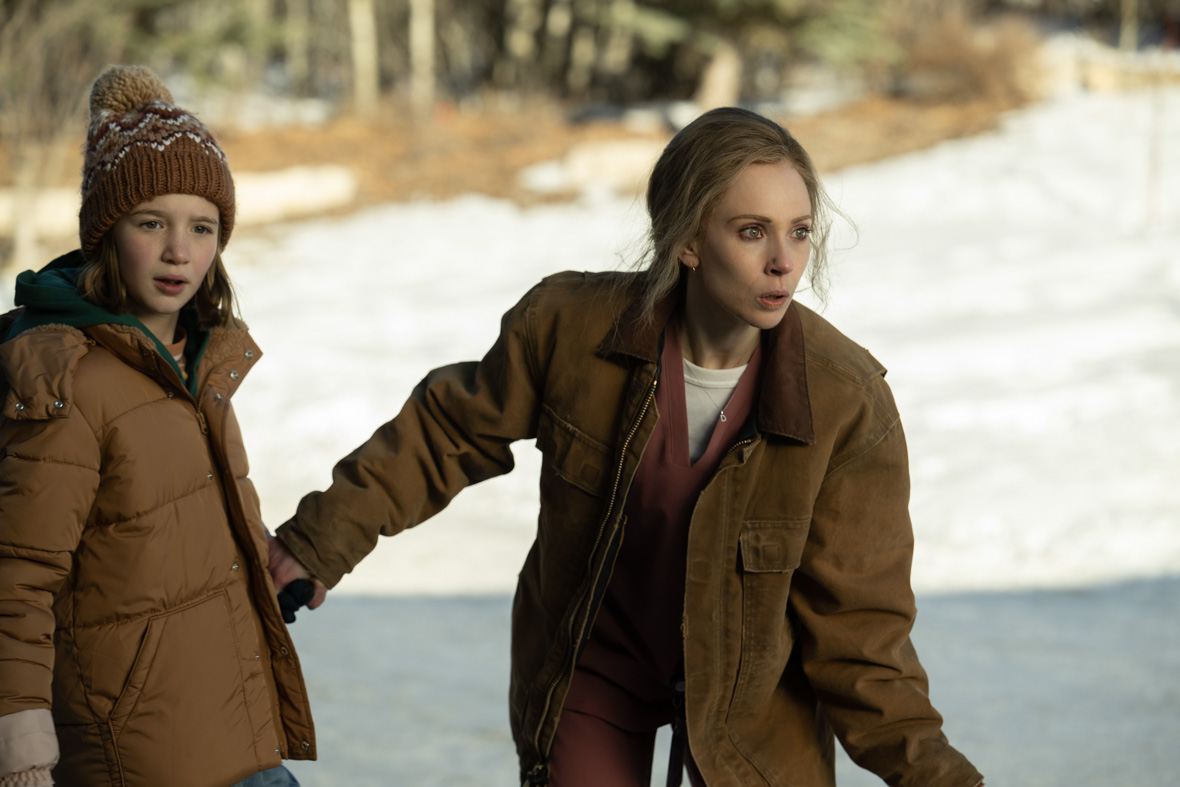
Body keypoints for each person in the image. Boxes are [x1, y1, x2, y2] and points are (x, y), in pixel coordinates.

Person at [268, 106, 984, 787]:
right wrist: (321, 539)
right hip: (594, 665)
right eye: (750, 231)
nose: (782, 262)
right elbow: (448, 432)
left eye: (799, 231)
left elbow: (859, 633)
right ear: (687, 241)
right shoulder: (569, 328)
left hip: (753, 705)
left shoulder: (845, 401)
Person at [0, 66, 314, 787]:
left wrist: (260, 558)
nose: (180, 251)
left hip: (233, 726)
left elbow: (167, 516)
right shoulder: (69, 380)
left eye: (202, 227)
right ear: (108, 233)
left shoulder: (197, 363)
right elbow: (18, 576)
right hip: (140, 754)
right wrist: (21, 751)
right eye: (152, 223)